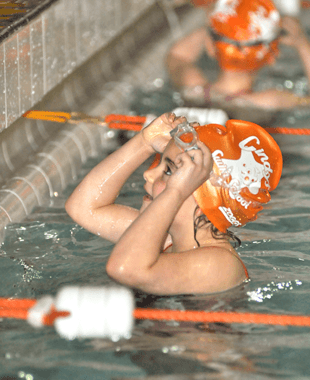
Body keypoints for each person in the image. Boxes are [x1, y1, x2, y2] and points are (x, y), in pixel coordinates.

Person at [65, 112, 282, 295]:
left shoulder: (219, 264)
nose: (149, 174)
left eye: (168, 170)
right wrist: (144, 143)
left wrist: (175, 191)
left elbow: (125, 268)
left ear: (204, 195)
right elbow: (84, 208)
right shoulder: (166, 240)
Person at [166, 0, 310, 124]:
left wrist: (213, 22)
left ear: (210, 47)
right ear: (272, 57)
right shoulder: (267, 101)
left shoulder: (191, 86)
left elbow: (177, 56)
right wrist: (302, 43)